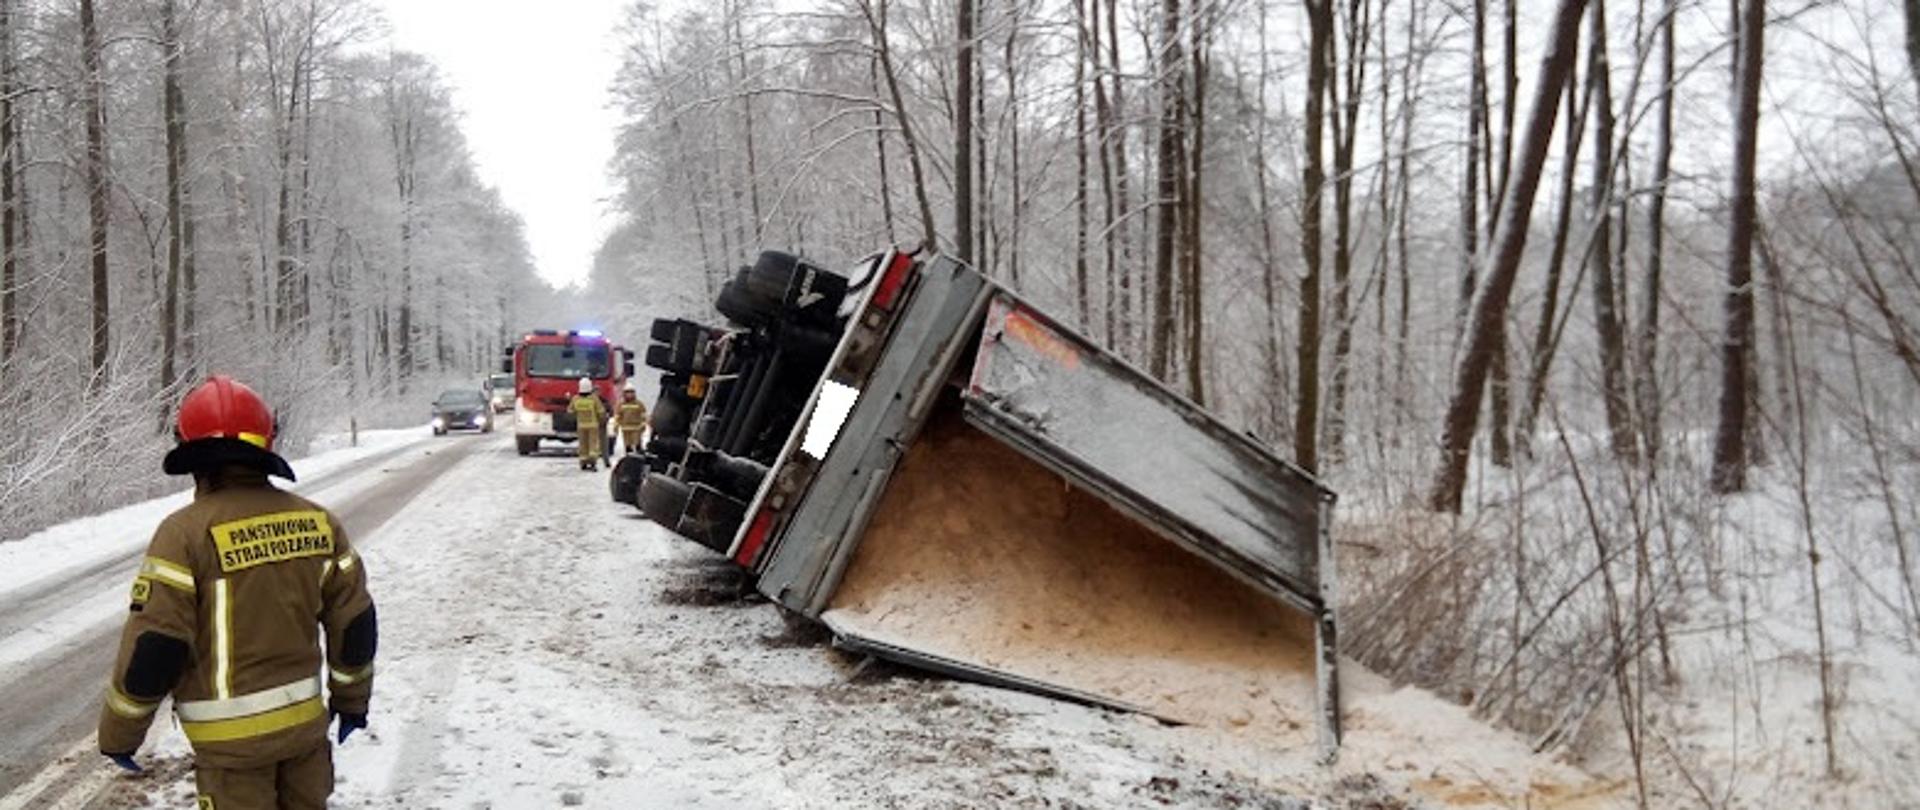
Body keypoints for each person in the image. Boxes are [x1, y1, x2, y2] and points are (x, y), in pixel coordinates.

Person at [98, 375, 375, 810]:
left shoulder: (183, 535)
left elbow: (156, 646)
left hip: (231, 755)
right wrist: (352, 701)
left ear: (188, 448)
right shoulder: (318, 521)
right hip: (306, 737)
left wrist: (120, 734)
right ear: (268, 440)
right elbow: (355, 622)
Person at [570, 377, 608, 471]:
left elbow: (570, 411)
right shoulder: (594, 399)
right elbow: (600, 411)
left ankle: (583, 461)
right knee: (593, 445)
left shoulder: (575, 399)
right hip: (593, 425)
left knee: (583, 445)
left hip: (581, 426)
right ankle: (592, 462)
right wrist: (603, 419)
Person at [616, 387, 649, 455]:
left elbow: (643, 414)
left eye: (631, 392)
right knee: (627, 444)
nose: (629, 394)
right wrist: (616, 425)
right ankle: (629, 454)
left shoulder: (639, 403)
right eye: (627, 392)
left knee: (637, 442)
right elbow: (618, 415)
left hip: (636, 427)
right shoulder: (621, 404)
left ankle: (638, 453)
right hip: (625, 428)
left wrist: (643, 424)